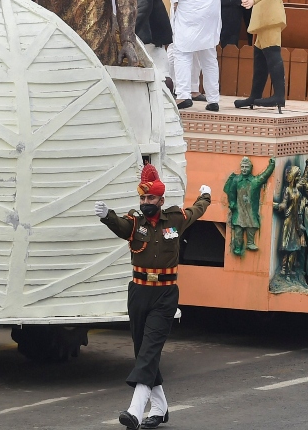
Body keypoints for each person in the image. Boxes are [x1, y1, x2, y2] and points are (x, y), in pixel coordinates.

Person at [95, 165, 211, 430]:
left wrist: (206, 195)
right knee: (142, 352)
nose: (145, 203)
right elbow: (122, 226)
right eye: (143, 199)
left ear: (161, 200)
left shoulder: (176, 219)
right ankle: (159, 408)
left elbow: (197, 210)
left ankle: (134, 412)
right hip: (139, 292)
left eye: (150, 199)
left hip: (165, 294)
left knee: (149, 351)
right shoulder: (136, 222)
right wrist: (107, 216)